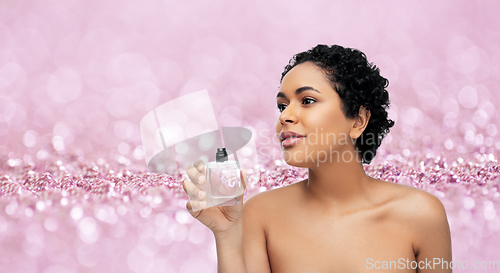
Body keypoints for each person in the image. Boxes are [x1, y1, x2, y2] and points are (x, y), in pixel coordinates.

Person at [182, 44, 452, 272]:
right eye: (282, 105)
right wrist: (227, 233)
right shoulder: (260, 215)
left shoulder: (421, 215)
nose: (285, 116)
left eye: (307, 100)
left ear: (358, 120)